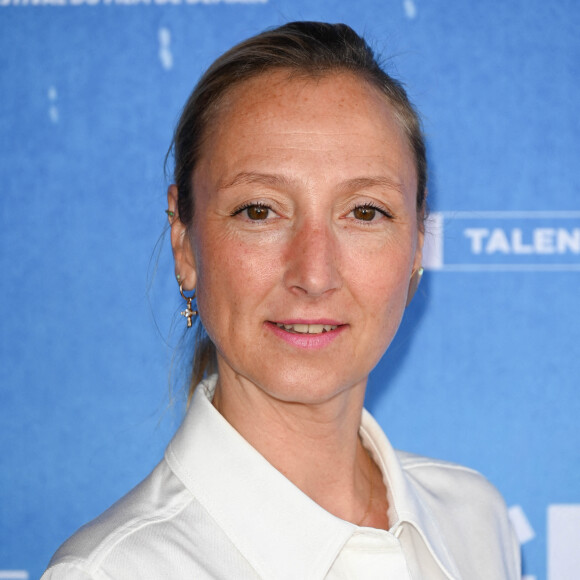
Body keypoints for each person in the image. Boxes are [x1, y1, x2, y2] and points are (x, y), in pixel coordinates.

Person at [42, 21, 520, 579]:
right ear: (184, 243)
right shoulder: (111, 573)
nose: (314, 275)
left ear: (417, 241)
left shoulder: (475, 518)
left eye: (365, 212)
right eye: (259, 211)